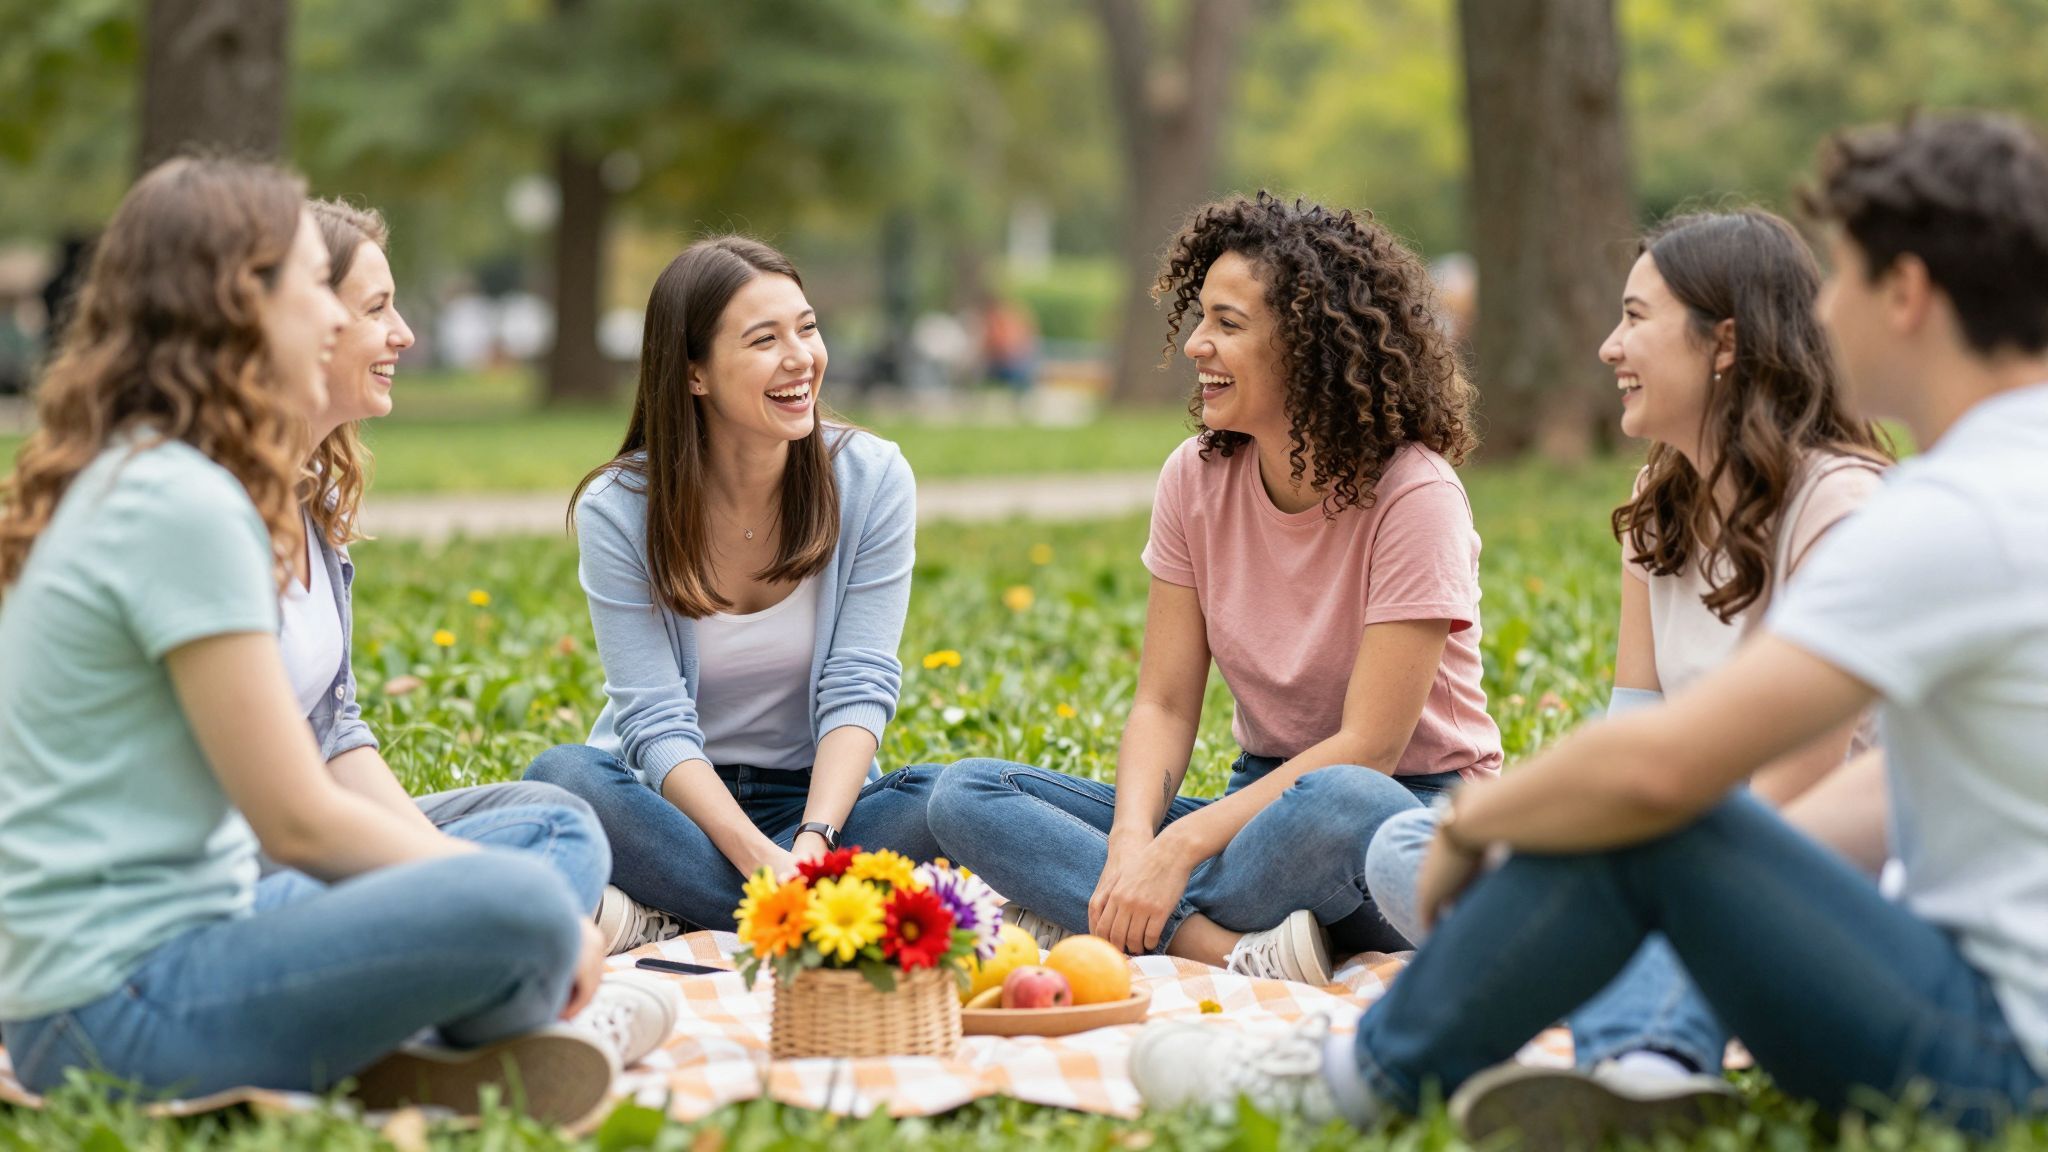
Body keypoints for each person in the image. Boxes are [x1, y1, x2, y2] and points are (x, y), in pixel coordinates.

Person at [1131, 112, 2048, 1143]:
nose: (1822, 311)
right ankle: (1628, 1047)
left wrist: (1486, 826)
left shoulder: (1948, 511)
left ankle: (1348, 1080)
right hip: (1958, 1005)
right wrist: (1684, 880)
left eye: (1840, 277)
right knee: (1630, 814)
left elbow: (1667, 775)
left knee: (1645, 805)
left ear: (1908, 293)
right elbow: (1883, 792)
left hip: (1988, 1061)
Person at [0, 158, 611, 1124]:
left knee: (548, 837)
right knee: (528, 910)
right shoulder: (178, 500)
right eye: (307, 285)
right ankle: (411, 1045)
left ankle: (373, 1048)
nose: (334, 317)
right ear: (238, 304)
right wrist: (509, 908)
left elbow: (315, 780)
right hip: (109, 1010)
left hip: (211, 922)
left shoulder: (168, 478)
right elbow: (298, 822)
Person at [1358, 208, 1890, 1130]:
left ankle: (1641, 1051)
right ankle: (1599, 960)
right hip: (1659, 831)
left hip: (1799, 877)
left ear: (1724, 343)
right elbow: (1629, 726)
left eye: (1636, 318)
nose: (1609, 347)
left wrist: (1592, 851)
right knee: (1394, 843)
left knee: (1616, 870)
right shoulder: (1659, 499)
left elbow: (1783, 813)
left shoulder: (1839, 511)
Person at [926, 192, 1501, 985]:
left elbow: (1371, 750)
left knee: (1341, 801)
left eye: (1228, 324)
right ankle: (1224, 949)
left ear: (1310, 346)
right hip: (1256, 811)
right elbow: (1162, 704)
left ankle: (1099, 910)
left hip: (1397, 820)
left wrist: (1179, 847)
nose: (1196, 344)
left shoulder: (1414, 494)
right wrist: (1133, 841)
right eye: (1200, 318)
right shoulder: (1194, 480)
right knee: (967, 795)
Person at [266, 197, 675, 1061]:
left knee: (554, 821)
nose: (406, 334)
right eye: (378, 308)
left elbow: (338, 734)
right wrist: (472, 889)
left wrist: (455, 874)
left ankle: (480, 979)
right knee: (524, 886)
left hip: (306, 841)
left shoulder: (312, 506)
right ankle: (485, 1011)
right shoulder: (211, 516)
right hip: (249, 858)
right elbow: (281, 814)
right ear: (302, 319)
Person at [526, 236, 941, 948]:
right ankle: (820, 914)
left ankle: (673, 913)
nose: (801, 358)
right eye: (764, 340)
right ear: (694, 374)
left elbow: (858, 684)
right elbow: (652, 721)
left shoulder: (872, 479)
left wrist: (812, 840)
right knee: (564, 780)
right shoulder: (621, 506)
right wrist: (757, 860)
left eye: (807, 328)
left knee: (950, 802)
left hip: (823, 807)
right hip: (675, 810)